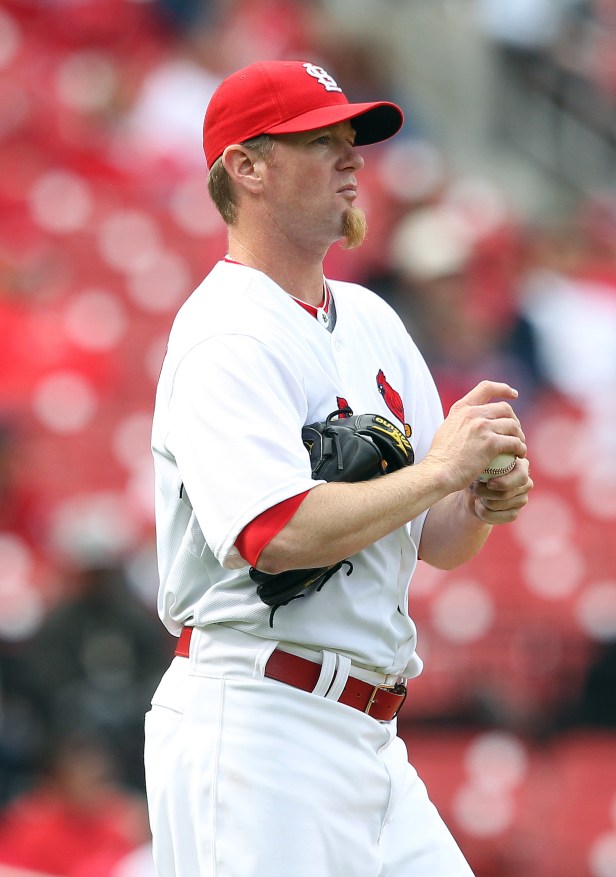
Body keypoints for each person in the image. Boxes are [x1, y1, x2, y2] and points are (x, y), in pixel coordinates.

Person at [145, 59, 533, 877]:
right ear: (245, 168)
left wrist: (482, 498)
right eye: (321, 141)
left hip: (369, 734)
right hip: (257, 724)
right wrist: (437, 472)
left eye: (351, 139)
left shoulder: (369, 318)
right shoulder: (226, 333)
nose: (353, 158)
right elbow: (273, 533)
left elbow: (436, 535)